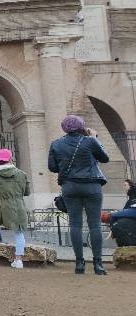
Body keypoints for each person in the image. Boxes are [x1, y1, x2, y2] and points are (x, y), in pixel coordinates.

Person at [48, 115, 110, 275]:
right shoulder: (89, 140)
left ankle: (79, 264)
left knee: (75, 224)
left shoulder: (56, 144)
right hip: (91, 185)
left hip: (70, 186)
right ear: (82, 126)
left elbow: (52, 167)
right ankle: (98, 264)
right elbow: (105, 158)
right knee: (95, 224)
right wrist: (94, 137)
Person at [0, 148, 30, 269]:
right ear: (10, 159)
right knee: (19, 234)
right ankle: (18, 260)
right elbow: (27, 192)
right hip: (18, 206)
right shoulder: (22, 174)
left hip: (2, 206)